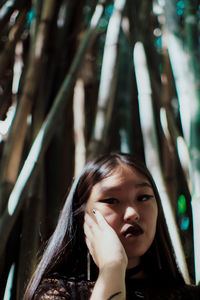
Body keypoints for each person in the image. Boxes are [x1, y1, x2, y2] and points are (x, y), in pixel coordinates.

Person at [23, 152, 200, 300]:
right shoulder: (56, 294)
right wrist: (112, 268)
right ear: (82, 216)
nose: (132, 213)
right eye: (111, 200)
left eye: (143, 197)